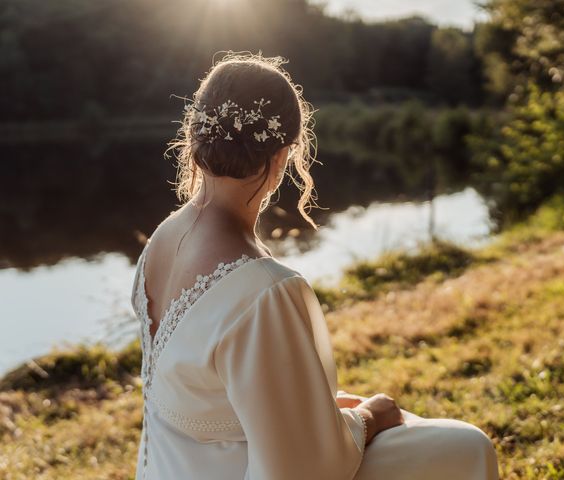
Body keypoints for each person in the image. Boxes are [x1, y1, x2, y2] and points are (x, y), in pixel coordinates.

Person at [130, 51, 500, 480]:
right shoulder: (263, 291)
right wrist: (368, 418)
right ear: (285, 153)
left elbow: (207, 393)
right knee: (467, 445)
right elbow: (303, 470)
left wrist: (324, 409)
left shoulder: (161, 239)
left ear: (195, 136)